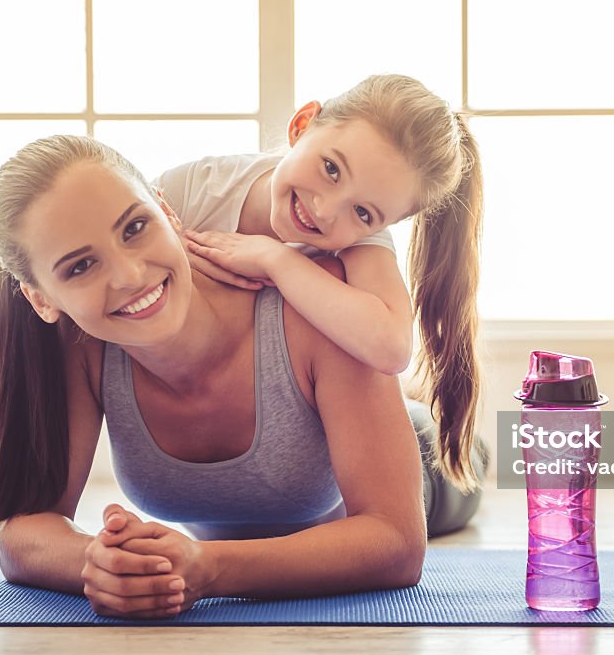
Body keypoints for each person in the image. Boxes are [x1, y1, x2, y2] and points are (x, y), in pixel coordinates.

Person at [0, 134, 484, 619]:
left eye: (134, 228)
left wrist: (211, 568)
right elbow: (21, 533)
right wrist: (99, 563)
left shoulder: (321, 312)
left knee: (460, 449)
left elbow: (396, 542)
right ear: (42, 298)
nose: (129, 276)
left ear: (166, 209)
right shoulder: (80, 347)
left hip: (431, 465)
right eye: (80, 266)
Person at [168, 75, 484, 494]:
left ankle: (468, 450)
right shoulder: (197, 189)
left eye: (364, 213)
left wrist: (276, 259)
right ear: (302, 124)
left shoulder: (362, 242)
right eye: (331, 169)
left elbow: (391, 345)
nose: (325, 210)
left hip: (417, 467)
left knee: (445, 459)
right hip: (250, 474)